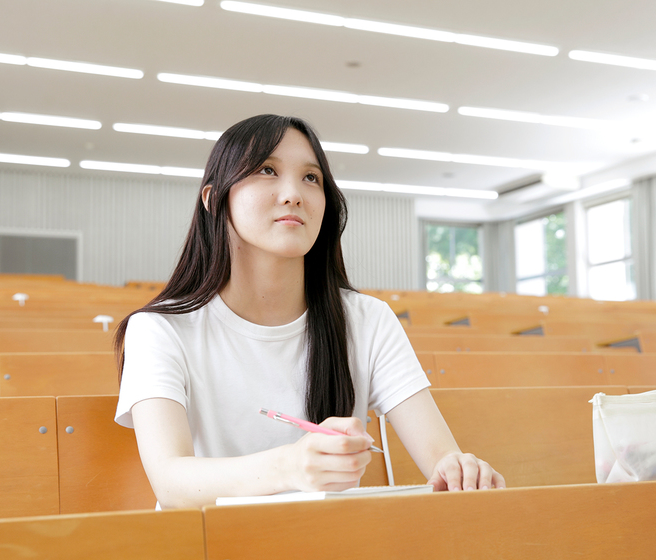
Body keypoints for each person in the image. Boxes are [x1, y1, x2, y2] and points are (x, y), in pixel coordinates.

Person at [114, 114, 505, 509]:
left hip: (330, 537)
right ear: (214, 198)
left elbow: (440, 457)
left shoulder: (367, 320)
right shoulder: (159, 329)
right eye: (267, 170)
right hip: (211, 538)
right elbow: (171, 483)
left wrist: (458, 469)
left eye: (311, 178)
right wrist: (289, 467)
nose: (293, 194)